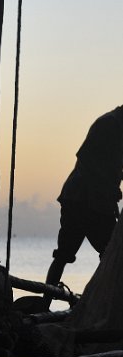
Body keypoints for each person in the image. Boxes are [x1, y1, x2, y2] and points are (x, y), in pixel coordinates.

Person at [45, 105, 123, 303]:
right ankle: (47, 303)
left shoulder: (117, 126)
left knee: (108, 254)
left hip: (95, 201)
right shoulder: (108, 124)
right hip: (82, 199)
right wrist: (110, 186)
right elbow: (87, 160)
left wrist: (112, 186)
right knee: (108, 254)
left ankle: (100, 302)